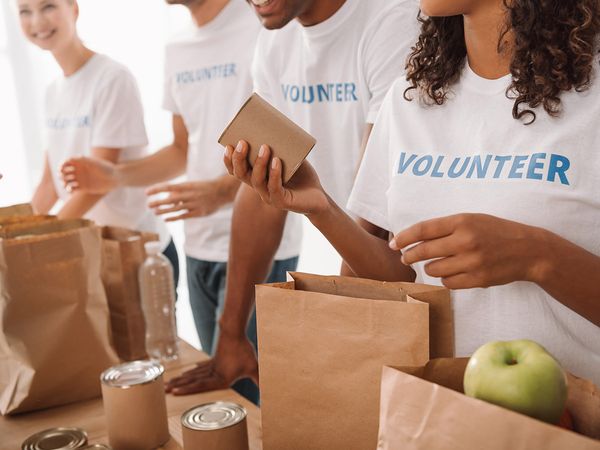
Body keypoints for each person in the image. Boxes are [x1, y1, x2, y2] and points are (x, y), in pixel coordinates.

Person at [226, 0, 600, 385]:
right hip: (440, 416)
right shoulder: (412, 95)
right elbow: (403, 277)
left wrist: (539, 257)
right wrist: (321, 208)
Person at [161, 0, 419, 396]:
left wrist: (333, 343)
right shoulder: (275, 42)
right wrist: (230, 336)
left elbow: (373, 216)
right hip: (363, 271)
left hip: (413, 282)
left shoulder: (390, 21)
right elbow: (263, 192)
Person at [59, 0, 286, 403]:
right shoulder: (177, 48)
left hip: (265, 243)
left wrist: (220, 192)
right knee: (227, 398)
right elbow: (182, 150)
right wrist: (116, 176)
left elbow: (286, 145)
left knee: (263, 400)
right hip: (198, 245)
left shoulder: (265, 24)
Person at [16, 0, 179, 277]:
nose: (37, 21)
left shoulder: (111, 78)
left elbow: (96, 184)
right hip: (94, 249)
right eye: (25, 11)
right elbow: (49, 185)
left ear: (74, 9)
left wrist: (37, 242)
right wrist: (17, 233)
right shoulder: (53, 92)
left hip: (139, 250)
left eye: (48, 7)